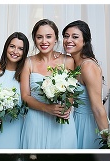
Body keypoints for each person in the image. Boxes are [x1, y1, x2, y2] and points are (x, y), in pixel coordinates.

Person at [20, 19, 77, 149]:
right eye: (39, 37)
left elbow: (71, 91)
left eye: (48, 37)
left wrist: (67, 106)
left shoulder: (67, 60)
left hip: (61, 119)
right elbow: (25, 96)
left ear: (56, 39)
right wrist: (47, 108)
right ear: (34, 40)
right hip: (35, 121)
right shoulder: (28, 62)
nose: (44, 41)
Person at [63, 20, 109, 148]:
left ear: (84, 41)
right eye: (66, 36)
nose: (68, 40)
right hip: (76, 121)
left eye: (75, 37)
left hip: (90, 125)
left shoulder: (88, 66)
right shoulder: (71, 62)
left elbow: (98, 108)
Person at [0, 32, 29, 149]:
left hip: (15, 125)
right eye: (12, 46)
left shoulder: (25, 73)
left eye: (20, 49)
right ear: (6, 47)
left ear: (24, 53)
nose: (15, 51)